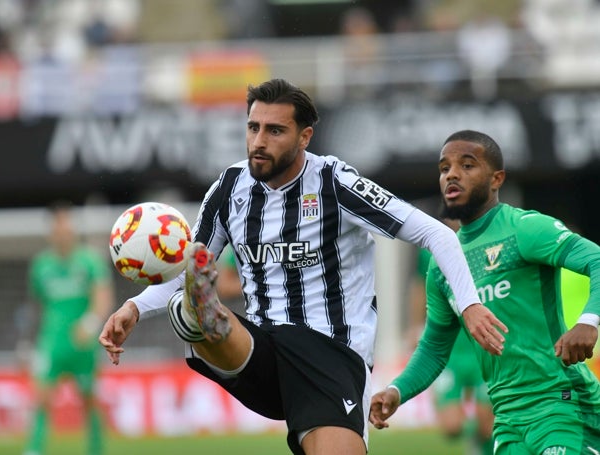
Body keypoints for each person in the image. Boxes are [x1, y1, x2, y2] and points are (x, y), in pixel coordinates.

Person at [99, 79, 506, 455]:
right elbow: (188, 269)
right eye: (253, 127)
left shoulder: (336, 183)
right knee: (192, 296)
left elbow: (438, 235)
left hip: (330, 353)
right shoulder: (228, 189)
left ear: (304, 137)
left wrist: (469, 305)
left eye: (275, 131)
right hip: (260, 348)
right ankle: (201, 313)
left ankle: (198, 312)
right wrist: (133, 308)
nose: (259, 141)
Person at [370, 130, 600, 454]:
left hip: (560, 403)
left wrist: (588, 321)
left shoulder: (524, 229)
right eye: (444, 167)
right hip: (507, 419)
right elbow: (435, 348)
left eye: (467, 165)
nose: (451, 173)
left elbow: (596, 260)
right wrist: (397, 390)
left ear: (497, 179)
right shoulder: (441, 265)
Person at [19, 202, 114, 455]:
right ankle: (34, 450)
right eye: (58, 225)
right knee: (41, 397)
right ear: (51, 231)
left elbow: (103, 297)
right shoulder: (41, 266)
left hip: (83, 344)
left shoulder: (89, 261)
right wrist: (26, 344)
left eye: (66, 224)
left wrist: (90, 323)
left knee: (89, 400)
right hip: (51, 343)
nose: (63, 230)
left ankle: (96, 450)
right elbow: (34, 307)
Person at [407, 219, 494, 455]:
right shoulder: (430, 254)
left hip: (481, 345)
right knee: (452, 427)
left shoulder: (486, 248)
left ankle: (483, 446)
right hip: (450, 349)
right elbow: (418, 289)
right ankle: (475, 440)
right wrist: (415, 328)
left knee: (488, 423)